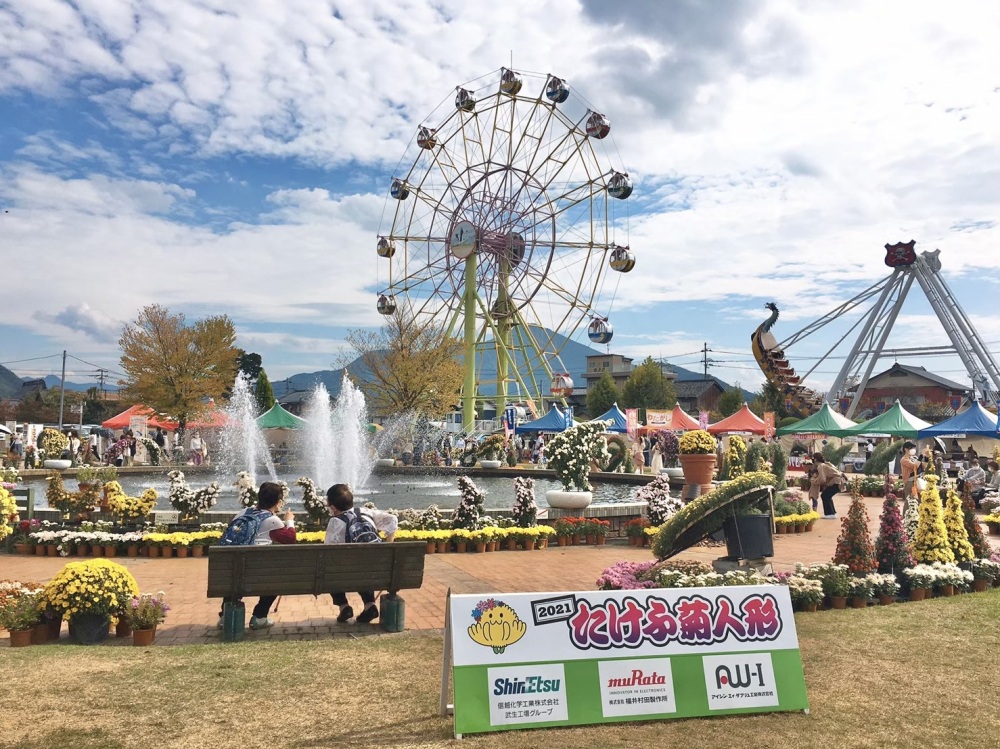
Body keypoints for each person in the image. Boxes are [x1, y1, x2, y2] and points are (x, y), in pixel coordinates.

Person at [219, 482, 297, 630]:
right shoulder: (271, 520)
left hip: (232, 572)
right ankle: (260, 617)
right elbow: (290, 539)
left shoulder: (243, 513)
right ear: (279, 502)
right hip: (258, 575)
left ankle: (225, 616)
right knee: (276, 579)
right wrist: (289, 520)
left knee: (235, 574)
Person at [324, 484, 398, 624]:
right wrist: (389, 547)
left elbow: (328, 552)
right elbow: (392, 519)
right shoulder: (365, 512)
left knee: (329, 569)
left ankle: (343, 606)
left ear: (333, 507)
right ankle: (370, 604)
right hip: (377, 570)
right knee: (364, 564)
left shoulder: (335, 522)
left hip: (349, 573)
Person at [812, 453, 844, 518]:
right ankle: (832, 513)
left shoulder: (820, 466)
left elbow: (822, 479)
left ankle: (829, 514)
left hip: (836, 481)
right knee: (827, 495)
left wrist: (815, 481)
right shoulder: (825, 464)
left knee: (825, 495)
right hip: (839, 481)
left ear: (815, 459)